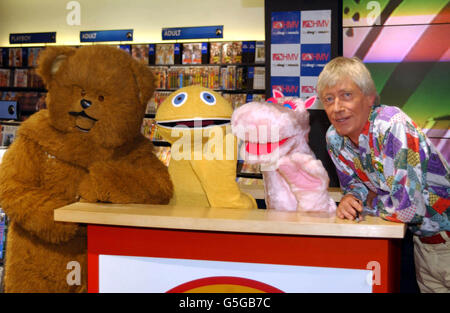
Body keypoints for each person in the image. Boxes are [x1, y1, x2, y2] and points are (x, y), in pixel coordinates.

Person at [317, 56, 450, 293]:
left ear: (369, 98)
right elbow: (354, 186)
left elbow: (408, 208)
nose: (337, 107)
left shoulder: (393, 125)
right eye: (328, 99)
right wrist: (350, 199)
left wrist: (369, 201)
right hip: (424, 245)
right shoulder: (334, 138)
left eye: (346, 95)